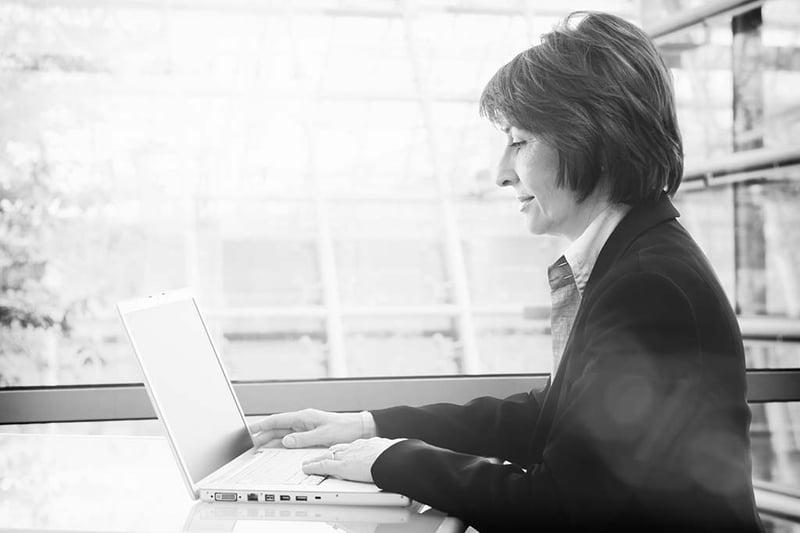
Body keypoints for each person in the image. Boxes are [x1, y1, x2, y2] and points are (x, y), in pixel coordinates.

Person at [249, 11, 763, 532]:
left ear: (593, 140)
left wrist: (392, 460)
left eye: (519, 142)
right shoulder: (638, 260)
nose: (500, 173)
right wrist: (367, 427)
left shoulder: (650, 287)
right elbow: (547, 416)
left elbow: (559, 506)